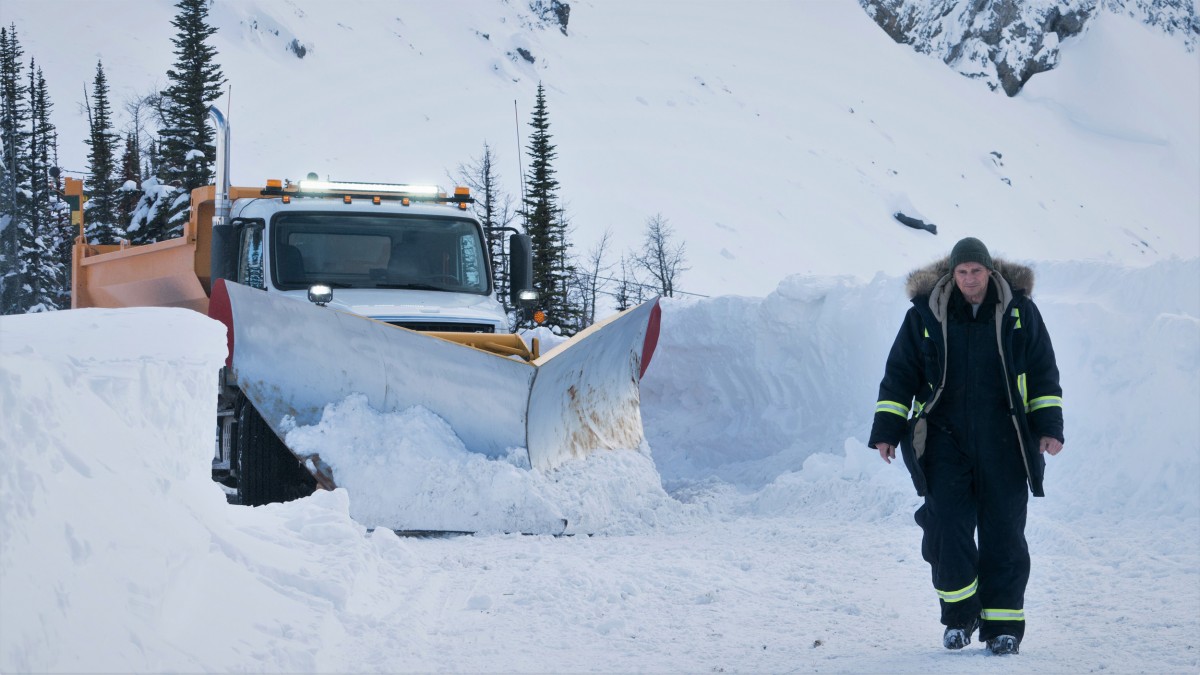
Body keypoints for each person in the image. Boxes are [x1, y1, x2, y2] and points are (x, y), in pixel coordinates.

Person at [868, 237, 1064, 656]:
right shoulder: (924, 315)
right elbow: (900, 374)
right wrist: (886, 429)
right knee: (946, 525)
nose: (970, 279)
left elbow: (1043, 371)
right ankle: (959, 617)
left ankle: (1003, 625)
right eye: (962, 272)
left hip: (1005, 439)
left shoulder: (1018, 312)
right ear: (951, 275)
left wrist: (1049, 426)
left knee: (1004, 532)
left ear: (989, 272)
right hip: (943, 438)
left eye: (977, 271)